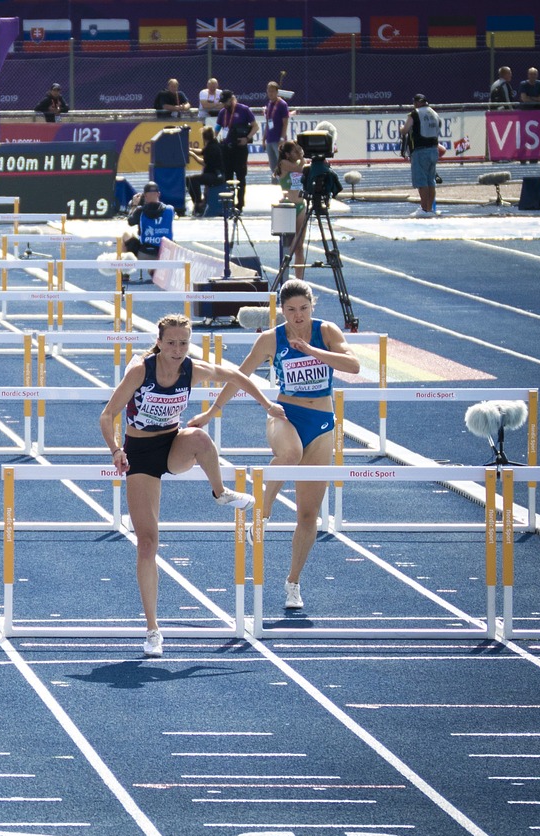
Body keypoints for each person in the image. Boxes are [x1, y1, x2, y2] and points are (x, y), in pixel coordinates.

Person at [99, 313, 285, 657]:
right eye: (170, 342)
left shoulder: (192, 368)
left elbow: (235, 375)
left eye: (183, 343)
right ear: (158, 341)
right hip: (139, 454)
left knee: (199, 437)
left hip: (173, 446)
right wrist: (116, 450)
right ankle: (153, 630)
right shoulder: (140, 370)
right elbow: (106, 415)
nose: (177, 349)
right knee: (147, 543)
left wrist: (267, 405)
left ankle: (220, 494)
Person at [205, 279, 360, 612]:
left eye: (303, 309)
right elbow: (239, 376)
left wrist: (314, 351)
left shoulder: (327, 331)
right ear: (281, 311)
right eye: (290, 310)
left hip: (320, 424)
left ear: (312, 306)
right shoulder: (270, 339)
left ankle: (293, 582)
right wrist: (212, 412)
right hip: (285, 416)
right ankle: (262, 513)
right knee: (290, 454)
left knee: (308, 515)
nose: (298, 316)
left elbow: (354, 366)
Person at [216, 89, 257, 210]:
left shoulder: (244, 109)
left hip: (240, 148)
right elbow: (218, 127)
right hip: (227, 149)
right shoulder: (222, 112)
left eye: (225, 102)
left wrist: (247, 138)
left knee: (240, 176)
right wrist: (213, 139)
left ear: (231, 100)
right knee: (227, 176)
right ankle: (229, 203)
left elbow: (255, 126)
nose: (224, 105)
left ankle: (240, 203)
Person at [401, 93, 440, 216]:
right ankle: (430, 209)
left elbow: (405, 130)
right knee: (431, 180)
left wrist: (400, 128)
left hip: (420, 150)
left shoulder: (415, 113)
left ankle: (423, 209)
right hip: (434, 149)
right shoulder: (434, 113)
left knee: (422, 181)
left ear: (417, 103)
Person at [123, 181, 175, 264]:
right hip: (165, 253)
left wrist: (134, 206)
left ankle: (125, 274)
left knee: (125, 235)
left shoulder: (140, 211)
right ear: (158, 194)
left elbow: (130, 222)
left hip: (144, 253)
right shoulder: (170, 209)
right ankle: (154, 271)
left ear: (145, 195)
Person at [275, 139, 307, 269]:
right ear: (287, 154)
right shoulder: (283, 163)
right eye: (295, 150)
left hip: (300, 206)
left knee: (300, 247)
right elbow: (300, 168)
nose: (298, 152)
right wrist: (302, 155)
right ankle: (284, 275)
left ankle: (299, 280)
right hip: (288, 207)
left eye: (298, 149)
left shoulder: (299, 162)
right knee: (288, 246)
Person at [186, 125, 225, 216]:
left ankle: (198, 202)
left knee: (190, 180)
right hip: (217, 174)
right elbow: (202, 151)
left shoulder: (212, 148)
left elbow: (204, 163)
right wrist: (190, 149)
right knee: (193, 179)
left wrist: (192, 155)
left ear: (204, 137)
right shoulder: (213, 144)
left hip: (215, 176)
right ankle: (199, 202)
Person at [263, 81, 290, 183]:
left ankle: (284, 185)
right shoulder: (269, 104)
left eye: (273, 91)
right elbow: (267, 122)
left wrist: (282, 138)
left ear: (277, 92)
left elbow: (285, 123)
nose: (270, 93)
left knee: (281, 164)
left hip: (278, 139)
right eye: (269, 91)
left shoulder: (282, 104)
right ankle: (274, 185)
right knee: (273, 166)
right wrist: (264, 138)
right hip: (270, 139)